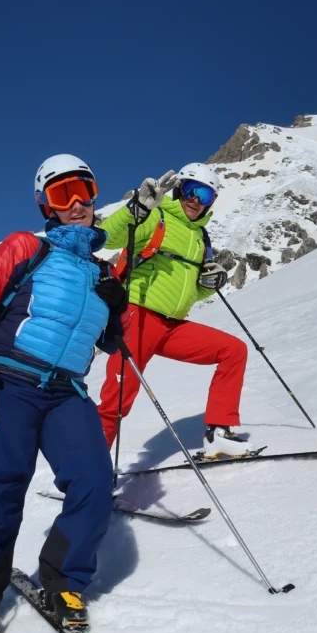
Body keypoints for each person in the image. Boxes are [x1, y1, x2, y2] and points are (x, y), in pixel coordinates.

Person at [0, 154, 127, 633]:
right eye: (59, 193)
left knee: (93, 482)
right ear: (44, 204)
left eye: (81, 191)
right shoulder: (26, 247)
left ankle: (64, 578)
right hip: (9, 384)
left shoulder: (102, 272)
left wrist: (117, 307)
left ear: (94, 195)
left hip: (67, 393)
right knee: (3, 489)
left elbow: (111, 343)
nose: (74, 204)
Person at [97, 163, 253, 459]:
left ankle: (219, 433)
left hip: (173, 326)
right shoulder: (157, 216)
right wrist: (136, 210)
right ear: (179, 189)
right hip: (138, 318)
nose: (196, 200)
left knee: (233, 350)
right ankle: (86, 473)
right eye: (191, 190)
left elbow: (191, 292)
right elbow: (107, 237)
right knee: (117, 399)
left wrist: (209, 284)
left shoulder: (200, 238)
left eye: (205, 195)